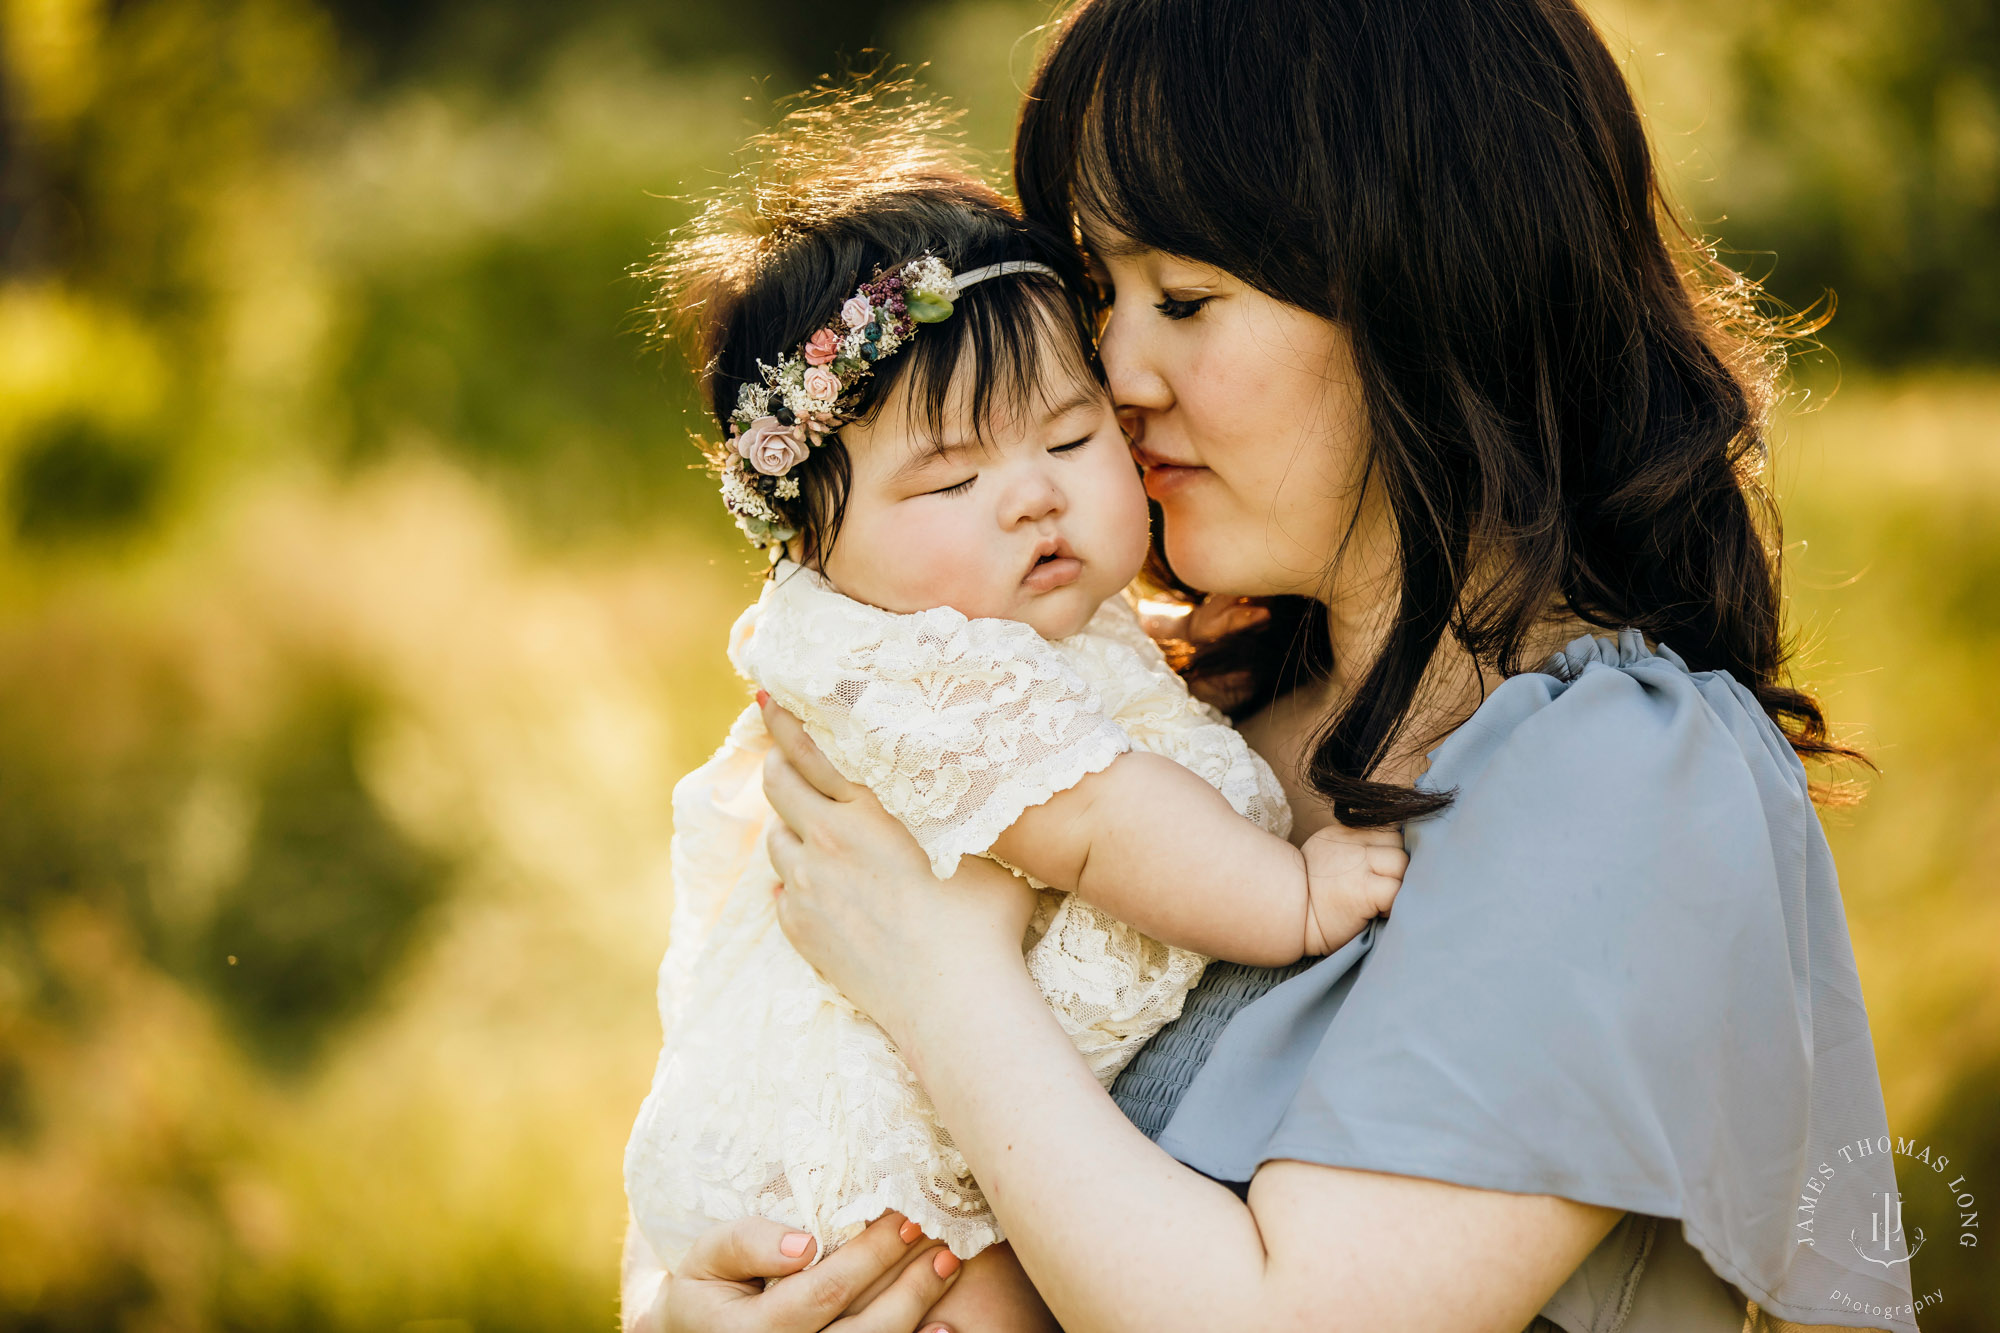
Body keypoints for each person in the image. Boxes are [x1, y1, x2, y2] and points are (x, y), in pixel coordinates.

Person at [631, 0, 1921, 1330]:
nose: (1115, 372)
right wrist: (700, 1306)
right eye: (1101, 294)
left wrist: (940, 980)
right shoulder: (1167, 706)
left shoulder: (1626, 779)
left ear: (1428, 293)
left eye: (1183, 299)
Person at [622, 111, 1406, 1333]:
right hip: (853, 1163)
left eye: (1071, 434)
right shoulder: (905, 667)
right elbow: (1097, 820)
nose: (1032, 493)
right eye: (949, 481)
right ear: (813, 544)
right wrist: (1288, 896)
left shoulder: (1037, 622)